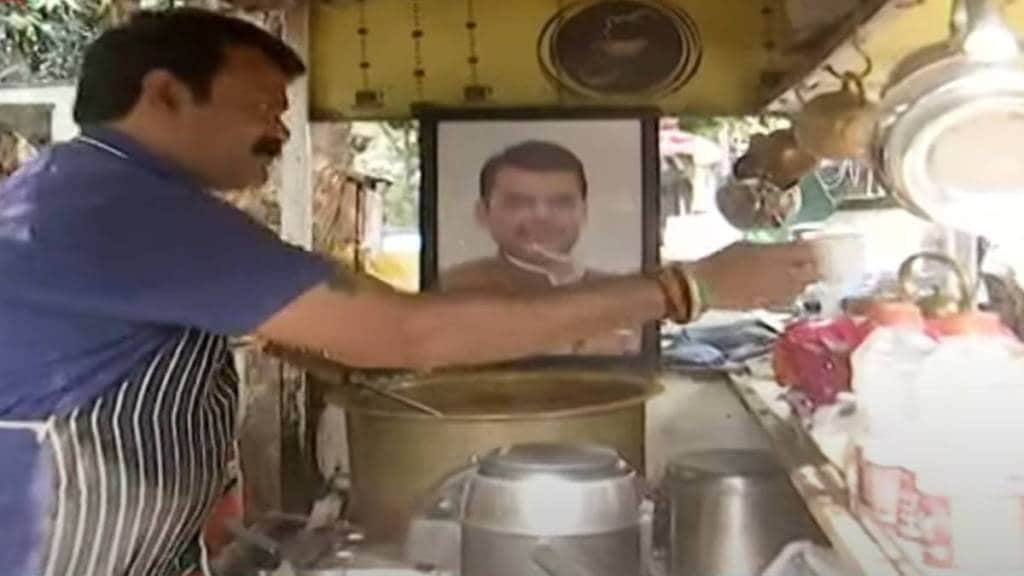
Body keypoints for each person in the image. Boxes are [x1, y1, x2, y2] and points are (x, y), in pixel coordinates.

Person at [0, 8, 819, 575]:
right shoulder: (128, 209)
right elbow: (410, 336)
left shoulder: (79, 190)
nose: (281, 131)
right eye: (262, 105)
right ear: (165, 95)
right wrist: (690, 285)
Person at [439, 139, 640, 354]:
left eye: (561, 203)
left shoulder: (620, 295)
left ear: (584, 212)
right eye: (519, 203)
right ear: (483, 213)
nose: (542, 216)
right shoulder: (454, 288)